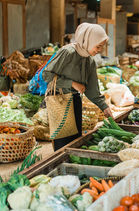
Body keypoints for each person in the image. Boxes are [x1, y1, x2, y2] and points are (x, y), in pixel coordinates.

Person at [43, 23, 113, 151]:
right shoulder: (67, 52)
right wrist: (72, 83)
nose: (99, 51)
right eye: (98, 46)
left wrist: (104, 107)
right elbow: (47, 75)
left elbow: (92, 89)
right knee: (62, 143)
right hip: (60, 101)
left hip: (75, 101)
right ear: (88, 41)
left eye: (101, 47)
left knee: (75, 140)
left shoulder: (89, 60)